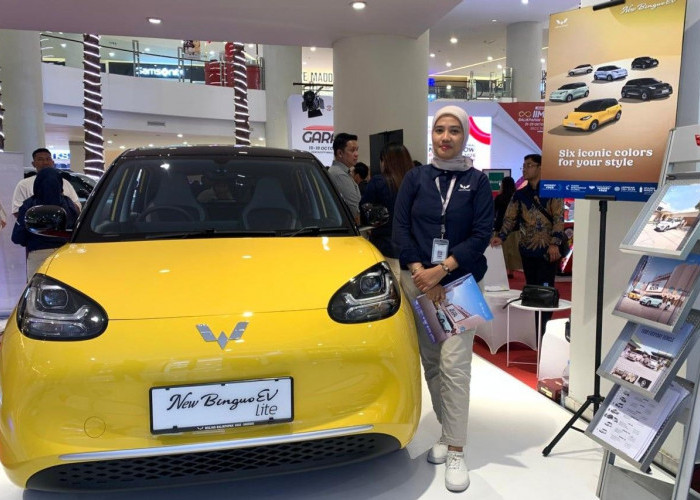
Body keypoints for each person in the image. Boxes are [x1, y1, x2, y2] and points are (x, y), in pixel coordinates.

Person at [393, 105, 493, 492]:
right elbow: (400, 228)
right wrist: (422, 272)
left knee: (455, 366)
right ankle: (446, 431)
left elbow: (481, 234)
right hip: (418, 281)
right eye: (439, 129)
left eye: (454, 130)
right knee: (432, 364)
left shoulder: (477, 182)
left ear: (464, 136)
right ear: (432, 135)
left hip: (461, 284)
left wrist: (442, 270)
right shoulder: (416, 178)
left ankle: (456, 450)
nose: (446, 137)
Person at [490, 154, 565, 330]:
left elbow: (559, 218)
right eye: (523, 166)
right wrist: (501, 236)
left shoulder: (552, 192)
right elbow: (510, 218)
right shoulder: (520, 194)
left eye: (529, 165)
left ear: (540, 168)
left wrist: (554, 243)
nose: (525, 169)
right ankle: (533, 329)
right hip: (527, 250)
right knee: (531, 288)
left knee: (546, 290)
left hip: (548, 251)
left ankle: (544, 328)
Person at [11, 168, 79, 280]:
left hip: (38, 256)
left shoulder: (29, 205)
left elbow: (17, 237)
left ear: (37, 184)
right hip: (65, 254)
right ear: (60, 184)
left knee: (38, 289)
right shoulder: (69, 204)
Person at [360, 142, 414, 281]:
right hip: (413, 251)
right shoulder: (416, 182)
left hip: (385, 247)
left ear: (384, 161)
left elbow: (364, 211)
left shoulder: (378, 182)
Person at [11, 148, 81, 216]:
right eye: (40, 159)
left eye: (48, 159)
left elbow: (77, 208)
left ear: (53, 162)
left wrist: (64, 201)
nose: (45, 163)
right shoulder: (24, 184)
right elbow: (17, 211)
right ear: (33, 163)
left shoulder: (65, 183)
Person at [328, 133, 361, 223]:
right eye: (352, 150)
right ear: (340, 153)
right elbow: (352, 210)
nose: (356, 154)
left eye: (357, 150)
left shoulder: (342, 172)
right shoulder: (339, 175)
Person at [493, 176, 521, 278]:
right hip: (514, 227)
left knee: (501, 251)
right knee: (513, 250)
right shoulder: (516, 197)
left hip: (500, 226)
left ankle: (502, 270)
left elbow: (494, 211)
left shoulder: (499, 198)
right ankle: (511, 271)